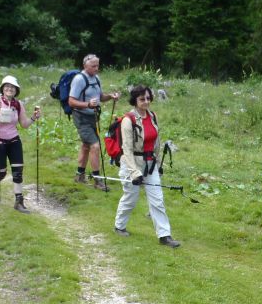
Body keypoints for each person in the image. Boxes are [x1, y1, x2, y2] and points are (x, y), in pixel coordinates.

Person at [113, 85, 181, 247]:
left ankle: (165, 236)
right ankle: (119, 226)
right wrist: (134, 172)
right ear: (135, 101)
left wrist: (158, 164)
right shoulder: (128, 120)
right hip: (132, 164)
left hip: (150, 165)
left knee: (157, 200)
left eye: (148, 98)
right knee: (131, 198)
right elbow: (127, 150)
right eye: (142, 99)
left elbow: (156, 142)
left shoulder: (153, 116)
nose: (146, 101)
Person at [0, 74, 41, 213]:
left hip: (14, 140)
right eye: (7, 86)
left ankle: (19, 202)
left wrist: (33, 117)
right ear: (2, 89)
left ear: (16, 90)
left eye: (13, 87)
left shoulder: (18, 104)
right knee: (0, 173)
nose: (10, 89)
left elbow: (24, 124)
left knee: (18, 172)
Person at [68, 54, 120, 191]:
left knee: (86, 146)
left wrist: (110, 96)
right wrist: (88, 105)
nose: (97, 68)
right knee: (95, 146)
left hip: (93, 117)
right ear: (85, 65)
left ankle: (79, 175)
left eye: (98, 65)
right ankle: (97, 181)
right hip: (81, 117)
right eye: (93, 66)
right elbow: (71, 101)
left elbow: (100, 97)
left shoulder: (96, 78)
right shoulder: (79, 79)